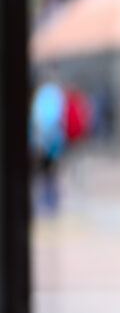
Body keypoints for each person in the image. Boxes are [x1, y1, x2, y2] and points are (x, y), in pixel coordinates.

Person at [30, 75, 68, 215]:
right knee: (50, 173)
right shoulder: (54, 95)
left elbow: (40, 120)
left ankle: (48, 201)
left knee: (46, 173)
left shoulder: (43, 96)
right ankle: (50, 201)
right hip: (53, 143)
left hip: (45, 142)